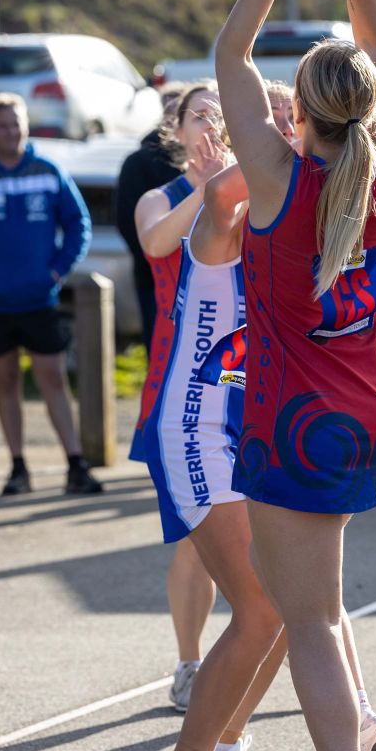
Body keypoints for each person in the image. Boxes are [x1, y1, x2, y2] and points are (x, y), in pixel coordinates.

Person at [139, 139, 376, 751]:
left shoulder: (284, 233)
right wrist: (273, 148)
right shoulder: (220, 224)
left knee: (290, 606)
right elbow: (226, 192)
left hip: (245, 429)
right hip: (197, 429)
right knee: (262, 607)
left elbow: (324, 327)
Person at [212, 0, 376, 751]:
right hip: (366, 414)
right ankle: (359, 740)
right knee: (320, 608)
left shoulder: (279, 181)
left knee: (311, 622)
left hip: (293, 420)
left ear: (301, 114)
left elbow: (229, 55)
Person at [0, 92, 101, 496]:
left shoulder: (48, 170)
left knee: (52, 377)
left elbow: (78, 223)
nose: (11, 132)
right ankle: (17, 467)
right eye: (2, 125)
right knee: (5, 380)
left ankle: (75, 464)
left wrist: (57, 269)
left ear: (26, 125)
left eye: (16, 124)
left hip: (39, 298)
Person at [131, 82, 227, 714]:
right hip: (176, 391)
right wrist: (209, 189)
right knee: (195, 538)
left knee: (257, 535)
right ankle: (190, 665)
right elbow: (156, 242)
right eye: (199, 115)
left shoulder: (250, 193)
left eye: (221, 114)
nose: (211, 124)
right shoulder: (160, 197)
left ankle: (269, 650)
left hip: (237, 385)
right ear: (178, 128)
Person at [116, 81, 186, 349]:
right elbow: (126, 220)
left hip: (204, 277)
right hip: (153, 277)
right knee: (161, 348)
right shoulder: (139, 162)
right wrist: (155, 254)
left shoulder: (212, 163)